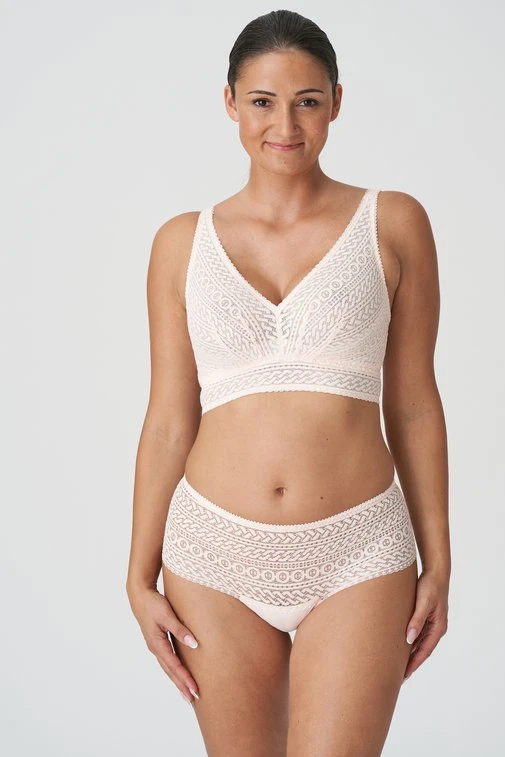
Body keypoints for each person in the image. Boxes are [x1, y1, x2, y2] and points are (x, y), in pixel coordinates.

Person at [126, 8, 450, 756]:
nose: (286, 125)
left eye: (307, 100)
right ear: (230, 102)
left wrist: (439, 561)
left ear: (336, 101)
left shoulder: (393, 222)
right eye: (263, 101)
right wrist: (137, 577)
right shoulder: (181, 243)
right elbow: (169, 418)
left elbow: (414, 404)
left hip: (359, 550)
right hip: (212, 553)